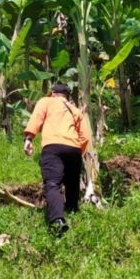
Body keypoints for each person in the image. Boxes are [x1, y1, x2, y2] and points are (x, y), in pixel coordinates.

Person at [23, 83, 91, 236]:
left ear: (53, 93)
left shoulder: (46, 101)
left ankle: (57, 220)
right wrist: (79, 150)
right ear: (67, 95)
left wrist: (29, 138)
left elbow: (36, 120)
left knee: (53, 184)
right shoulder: (75, 110)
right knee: (72, 183)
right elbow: (85, 136)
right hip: (74, 148)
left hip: (53, 147)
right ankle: (73, 211)